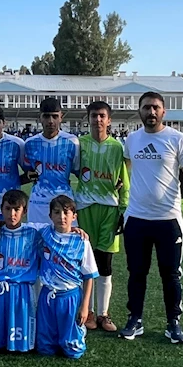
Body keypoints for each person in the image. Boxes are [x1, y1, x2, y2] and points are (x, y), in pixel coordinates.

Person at [119, 92, 183, 345]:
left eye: (155, 107)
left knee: (171, 274)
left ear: (163, 111)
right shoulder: (132, 139)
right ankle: (135, 320)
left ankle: (173, 322)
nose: (151, 112)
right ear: (140, 111)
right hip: (136, 218)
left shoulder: (177, 139)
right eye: (146, 107)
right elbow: (126, 166)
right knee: (136, 273)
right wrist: (121, 185)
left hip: (168, 219)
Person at [74, 101, 128, 333]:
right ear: (88, 119)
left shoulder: (117, 147)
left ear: (109, 120)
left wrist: (123, 210)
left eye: (102, 116)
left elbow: (125, 181)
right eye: (94, 115)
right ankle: (87, 312)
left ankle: (103, 314)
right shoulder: (80, 144)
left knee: (105, 262)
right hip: (84, 208)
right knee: (84, 262)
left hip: (109, 210)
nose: (98, 120)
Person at [36, 196, 99, 359]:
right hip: (47, 295)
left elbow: (89, 276)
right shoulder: (44, 233)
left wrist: (85, 307)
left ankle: (77, 335)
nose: (61, 217)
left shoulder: (81, 241)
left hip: (70, 296)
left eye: (66, 213)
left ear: (74, 216)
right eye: (57, 212)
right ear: (50, 216)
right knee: (45, 348)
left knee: (73, 351)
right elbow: (16, 224)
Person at [0, 189, 41, 353]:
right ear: (1, 209)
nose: (12, 214)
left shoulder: (34, 232)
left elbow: (59, 228)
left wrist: (75, 230)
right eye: (8, 209)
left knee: (21, 347)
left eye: (17, 209)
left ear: (25, 211)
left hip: (22, 290)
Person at [23, 97, 80, 225]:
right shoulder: (30, 144)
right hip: (38, 204)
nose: (50, 121)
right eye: (46, 116)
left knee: (65, 237)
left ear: (61, 117)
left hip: (64, 203)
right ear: (40, 117)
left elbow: (77, 171)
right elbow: (28, 172)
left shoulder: (72, 142)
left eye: (55, 116)